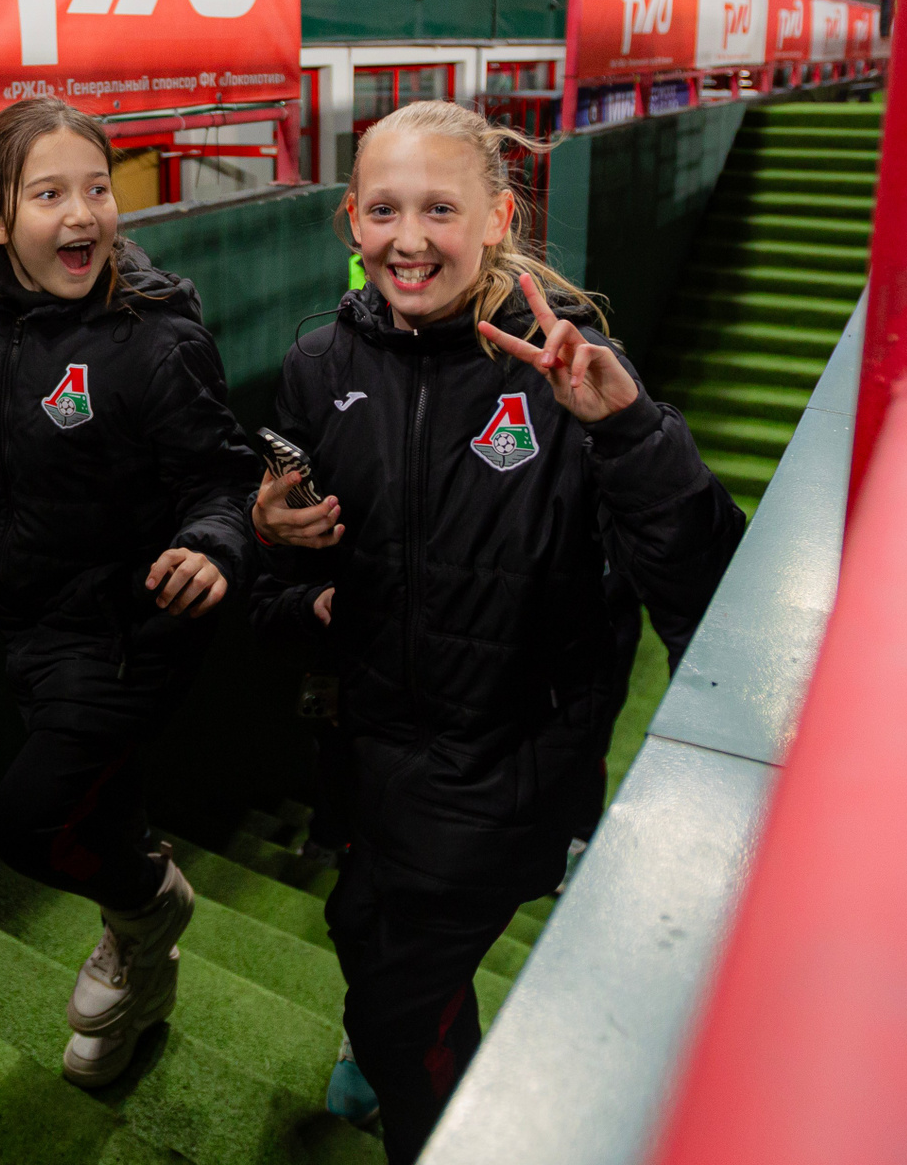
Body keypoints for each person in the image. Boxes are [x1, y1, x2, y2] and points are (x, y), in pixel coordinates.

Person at [251, 100, 743, 1164]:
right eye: (385, 209)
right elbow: (292, 581)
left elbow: (703, 584)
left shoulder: (567, 366)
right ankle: (392, 1036)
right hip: (367, 753)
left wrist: (631, 433)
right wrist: (273, 539)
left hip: (507, 769)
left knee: (400, 1008)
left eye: (440, 208)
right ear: (351, 220)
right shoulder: (318, 365)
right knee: (357, 929)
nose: (409, 238)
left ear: (499, 217)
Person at [0, 97, 259, 1088]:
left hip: (129, 634)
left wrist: (212, 542)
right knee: (101, 803)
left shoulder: (156, 340)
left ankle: (146, 905)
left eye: (97, 189)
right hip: (32, 617)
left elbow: (223, 478)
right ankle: (139, 981)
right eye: (50, 195)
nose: (84, 213)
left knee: (32, 821)